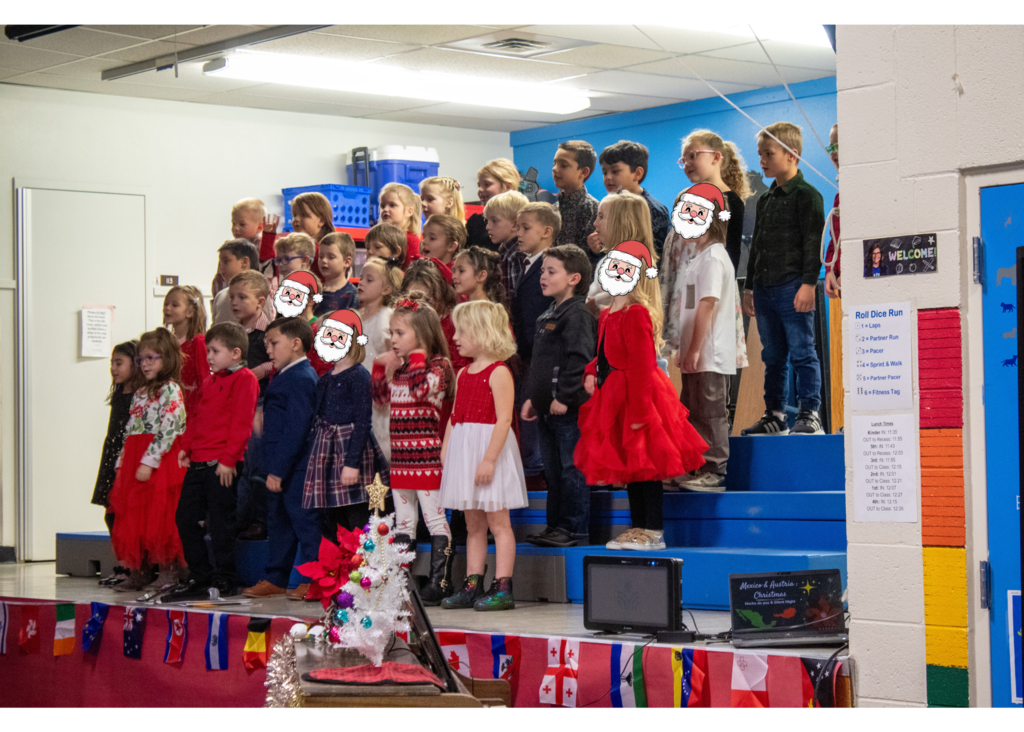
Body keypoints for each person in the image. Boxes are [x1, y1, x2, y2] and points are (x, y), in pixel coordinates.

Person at [576, 240, 708, 550]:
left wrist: (639, 414)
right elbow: (604, 354)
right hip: (615, 397)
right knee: (631, 470)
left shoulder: (636, 313)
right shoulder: (608, 313)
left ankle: (654, 530)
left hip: (640, 399)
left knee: (647, 468)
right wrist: (591, 371)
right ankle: (637, 527)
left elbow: (642, 365)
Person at [741, 122, 826, 436]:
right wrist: (749, 287)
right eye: (760, 154)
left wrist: (808, 283)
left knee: (803, 352)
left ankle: (809, 413)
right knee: (773, 356)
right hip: (764, 289)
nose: (762, 160)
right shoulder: (764, 199)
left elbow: (812, 242)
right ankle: (775, 414)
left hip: (793, 287)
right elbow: (759, 245)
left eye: (769, 154)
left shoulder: (807, 195)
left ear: (793, 155)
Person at [440, 301, 526, 611]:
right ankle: (472, 583)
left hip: (489, 448)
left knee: (498, 523)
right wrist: (447, 450)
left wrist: (489, 459)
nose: (456, 337)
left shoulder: (499, 372)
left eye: (462, 331)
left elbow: (503, 420)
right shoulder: (463, 373)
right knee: (473, 524)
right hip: (465, 450)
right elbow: (454, 416)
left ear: (483, 332)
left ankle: (503, 585)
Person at [371, 296, 455, 605]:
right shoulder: (402, 367)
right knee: (405, 523)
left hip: (427, 460)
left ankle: (440, 581)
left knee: (434, 520)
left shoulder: (438, 366)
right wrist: (380, 368)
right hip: (402, 461)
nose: (392, 340)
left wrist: (418, 357)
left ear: (421, 334)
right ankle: (401, 582)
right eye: (391, 333)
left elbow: (422, 391)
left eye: (399, 333)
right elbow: (381, 401)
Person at [167, 322, 259, 602]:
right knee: (184, 518)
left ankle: (225, 578)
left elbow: (241, 424)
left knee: (220, 524)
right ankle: (200, 575)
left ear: (235, 353)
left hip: (222, 464)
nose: (208, 356)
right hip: (199, 460)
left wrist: (229, 460)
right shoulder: (211, 380)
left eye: (215, 351)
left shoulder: (245, 379)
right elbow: (197, 417)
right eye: (208, 350)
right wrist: (186, 446)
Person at [521, 246, 597, 548]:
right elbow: (541, 365)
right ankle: (555, 526)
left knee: (571, 469)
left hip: (567, 410)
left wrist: (565, 397)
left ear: (573, 278)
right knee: (553, 471)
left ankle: (574, 528)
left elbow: (579, 360)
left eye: (551, 271)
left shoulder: (577, 313)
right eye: (542, 271)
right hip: (546, 409)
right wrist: (532, 396)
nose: (543, 276)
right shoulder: (549, 312)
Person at [244, 317, 321, 601]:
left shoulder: (302, 377)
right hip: (279, 464)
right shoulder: (287, 375)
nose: (269, 351)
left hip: (296, 466)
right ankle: (276, 577)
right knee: (279, 522)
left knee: (305, 523)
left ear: (296, 343)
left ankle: (316, 580)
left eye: (274, 343)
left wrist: (279, 469)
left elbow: (296, 429)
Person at [109, 329, 188, 592]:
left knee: (161, 516)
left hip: (160, 460)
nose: (145, 364)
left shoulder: (170, 390)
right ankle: (140, 570)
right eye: (141, 359)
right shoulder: (140, 392)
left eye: (151, 358)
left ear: (167, 358)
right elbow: (131, 427)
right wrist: (122, 461)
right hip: (135, 454)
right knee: (135, 516)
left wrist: (150, 460)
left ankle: (168, 571)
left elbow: (172, 426)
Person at [305, 310, 389, 540]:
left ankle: (361, 568)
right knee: (332, 518)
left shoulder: (359, 376)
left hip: (351, 451)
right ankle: (338, 570)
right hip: (328, 452)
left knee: (358, 516)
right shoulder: (325, 379)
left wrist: (351, 464)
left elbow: (363, 421)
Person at [674, 184, 737, 491]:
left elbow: (707, 304)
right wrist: (684, 347)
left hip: (710, 353)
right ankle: (697, 467)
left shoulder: (713, 257)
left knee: (711, 412)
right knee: (694, 411)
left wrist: (696, 348)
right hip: (696, 353)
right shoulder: (698, 258)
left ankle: (715, 468)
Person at [512, 202, 559, 486]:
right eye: (517, 227)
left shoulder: (549, 266)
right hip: (527, 353)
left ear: (546, 231)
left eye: (525, 228)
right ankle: (534, 469)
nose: (518, 233)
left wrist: (532, 351)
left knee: (536, 419)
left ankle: (539, 474)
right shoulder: (527, 264)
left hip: (540, 354)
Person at [92, 339, 146, 587]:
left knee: (124, 513)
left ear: (134, 364)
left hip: (127, 458)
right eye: (112, 363)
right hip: (112, 456)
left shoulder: (139, 395)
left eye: (119, 362)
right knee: (110, 512)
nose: (113, 368)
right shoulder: (119, 393)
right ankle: (123, 562)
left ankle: (133, 566)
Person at [357, 256, 403, 462]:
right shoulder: (355, 317)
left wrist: (385, 384)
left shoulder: (385, 316)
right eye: (361, 278)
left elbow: (395, 355)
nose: (361, 283)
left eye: (369, 279)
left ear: (386, 290)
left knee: (380, 449)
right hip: (358, 393)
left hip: (378, 398)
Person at [596, 140, 670, 257]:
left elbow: (656, 257)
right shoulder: (607, 207)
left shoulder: (654, 210)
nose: (608, 177)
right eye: (604, 172)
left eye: (615, 171)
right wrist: (596, 247)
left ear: (637, 173)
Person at [211, 197, 277, 297]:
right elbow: (220, 275)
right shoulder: (228, 248)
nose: (235, 228)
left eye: (242, 224)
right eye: (233, 223)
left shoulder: (262, 247)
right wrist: (218, 297)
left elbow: (266, 275)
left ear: (259, 227)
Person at [163, 285, 210, 418]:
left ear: (190, 312)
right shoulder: (166, 343)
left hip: (190, 409)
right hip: (168, 407)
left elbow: (205, 381)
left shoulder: (198, 342)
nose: (167, 308)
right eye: (166, 304)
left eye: (174, 305)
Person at [264, 191, 334, 279]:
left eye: (304, 215)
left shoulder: (323, 251)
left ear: (321, 221)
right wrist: (268, 237)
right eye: (294, 215)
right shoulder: (291, 246)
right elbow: (268, 267)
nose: (296, 219)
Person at [553, 140, 600, 267]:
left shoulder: (596, 211)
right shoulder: (552, 209)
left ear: (583, 172)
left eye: (563, 165)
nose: (554, 169)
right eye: (555, 163)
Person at [211, 239, 274, 325]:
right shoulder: (220, 296)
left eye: (226, 261)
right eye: (220, 263)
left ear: (244, 262)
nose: (221, 267)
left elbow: (268, 323)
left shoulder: (260, 291)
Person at [484, 190, 530, 301]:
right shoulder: (504, 253)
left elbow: (513, 298)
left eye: (494, 221)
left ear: (515, 224)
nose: (488, 227)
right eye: (487, 220)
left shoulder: (516, 255)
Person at [468, 158, 520, 250]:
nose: (480, 190)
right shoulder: (475, 223)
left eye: (487, 184)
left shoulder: (522, 222)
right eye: (479, 185)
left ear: (508, 187)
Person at [378, 182, 422, 268]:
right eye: (383, 206)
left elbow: (412, 274)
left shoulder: (411, 240)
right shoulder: (382, 238)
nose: (385, 209)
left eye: (392, 205)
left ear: (409, 211)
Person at [315, 232, 358, 316]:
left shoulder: (352, 295)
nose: (324, 260)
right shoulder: (315, 291)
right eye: (321, 256)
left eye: (331, 257)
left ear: (346, 262)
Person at [824, 124, 842, 298]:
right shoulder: (839, 198)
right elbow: (835, 240)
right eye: (831, 148)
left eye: (838, 146)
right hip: (842, 281)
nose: (833, 154)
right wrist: (830, 269)